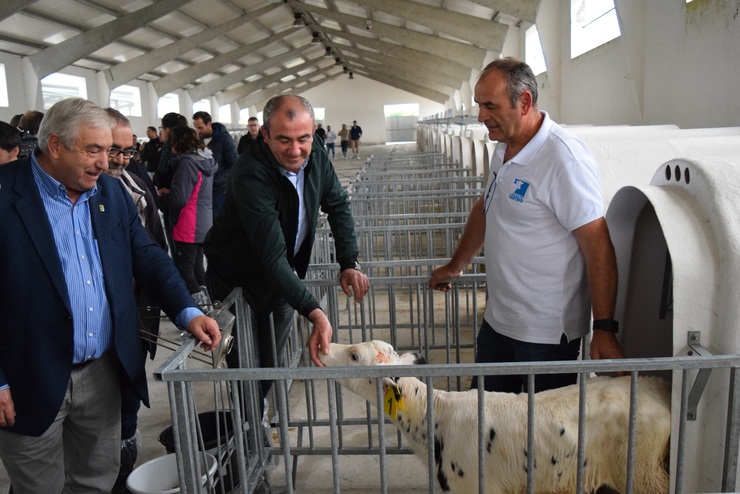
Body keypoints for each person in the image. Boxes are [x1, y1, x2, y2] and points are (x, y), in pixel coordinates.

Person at [0, 97, 221, 493]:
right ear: (55, 145)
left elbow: (148, 256)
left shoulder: (110, 194)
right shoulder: (5, 195)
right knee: (37, 487)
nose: (106, 163)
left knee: (95, 481)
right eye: (94, 150)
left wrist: (187, 311)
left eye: (112, 150)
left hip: (102, 373)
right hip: (26, 375)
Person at [428, 58, 624, 394]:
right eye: (479, 105)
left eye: (490, 105)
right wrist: (456, 265)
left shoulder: (563, 158)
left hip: (546, 333)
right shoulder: (503, 148)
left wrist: (604, 327)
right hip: (499, 320)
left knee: (542, 435)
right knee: (484, 421)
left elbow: (598, 243)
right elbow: (487, 207)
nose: (481, 116)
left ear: (525, 102)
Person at [204, 94, 370, 379]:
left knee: (273, 359)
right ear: (265, 135)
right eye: (284, 140)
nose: (295, 150)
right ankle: (249, 419)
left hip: (283, 272)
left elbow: (338, 204)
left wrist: (348, 261)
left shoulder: (316, 150)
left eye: (303, 138)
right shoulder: (250, 174)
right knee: (246, 365)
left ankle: (262, 410)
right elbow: (270, 254)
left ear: (314, 131)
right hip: (235, 278)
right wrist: (314, 312)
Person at [103, 108, 168, 490]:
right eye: (111, 149)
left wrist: (183, 308)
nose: (118, 160)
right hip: (80, 334)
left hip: (131, 316)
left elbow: (152, 254)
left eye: (127, 152)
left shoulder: (134, 191)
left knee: (126, 404)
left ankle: (123, 468)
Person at [159, 124, 216, 306]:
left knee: (184, 271)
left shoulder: (186, 163)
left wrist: (162, 196)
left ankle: (199, 312)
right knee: (198, 269)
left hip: (188, 224)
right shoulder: (205, 160)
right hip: (204, 221)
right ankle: (210, 304)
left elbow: (180, 198)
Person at [192, 111, 239, 220]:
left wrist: (216, 180)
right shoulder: (199, 141)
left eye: (200, 127)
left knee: (220, 221)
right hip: (205, 190)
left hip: (220, 191)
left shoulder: (224, 140)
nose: (198, 131)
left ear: (209, 124)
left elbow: (235, 165)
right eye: (196, 128)